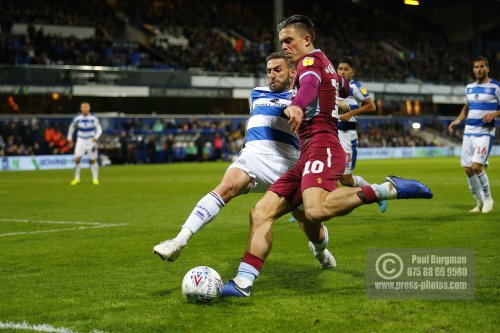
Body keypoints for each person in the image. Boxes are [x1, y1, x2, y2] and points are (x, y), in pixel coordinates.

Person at [221, 15, 432, 298]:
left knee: (315, 211)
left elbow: (308, 85)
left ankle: (388, 189)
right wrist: (338, 93)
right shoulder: (326, 63)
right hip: (307, 152)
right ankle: (243, 283)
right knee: (260, 213)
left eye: (288, 40)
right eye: (281, 41)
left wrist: (297, 104)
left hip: (322, 144)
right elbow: (341, 87)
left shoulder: (309, 63)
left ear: (306, 40)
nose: (284, 46)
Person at [153, 52, 340, 270]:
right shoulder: (256, 93)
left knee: (310, 224)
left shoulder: (304, 96)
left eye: (277, 70)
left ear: (292, 72)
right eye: (268, 71)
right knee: (227, 186)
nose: (271, 75)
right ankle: (179, 240)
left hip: (289, 164)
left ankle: (320, 250)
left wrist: (338, 104)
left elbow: (331, 104)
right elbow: (256, 119)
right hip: (253, 156)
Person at [448, 56, 500, 213]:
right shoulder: (469, 87)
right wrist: (458, 119)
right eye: (476, 67)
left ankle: (488, 198)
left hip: (485, 132)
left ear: (488, 69)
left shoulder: (496, 87)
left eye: (482, 66)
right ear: (473, 70)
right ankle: (479, 202)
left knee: (477, 167)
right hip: (469, 131)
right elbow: (467, 106)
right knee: (467, 168)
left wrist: (495, 113)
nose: (478, 69)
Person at [336, 57, 386, 212]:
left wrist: (350, 113)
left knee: (345, 180)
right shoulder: (331, 86)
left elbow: (371, 106)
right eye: (340, 69)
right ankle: (302, 210)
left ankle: (377, 193)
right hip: (329, 134)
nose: (342, 72)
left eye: (346, 69)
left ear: (353, 72)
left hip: (346, 135)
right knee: (321, 173)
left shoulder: (355, 87)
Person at [67, 102, 102, 186]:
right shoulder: (77, 118)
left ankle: (95, 179)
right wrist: (69, 138)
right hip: (81, 140)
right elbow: (71, 128)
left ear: (89, 108)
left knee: (93, 160)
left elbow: (99, 129)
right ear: (81, 108)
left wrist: (96, 137)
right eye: (83, 107)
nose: (85, 109)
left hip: (91, 140)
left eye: (86, 107)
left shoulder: (93, 118)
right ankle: (77, 178)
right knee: (77, 159)